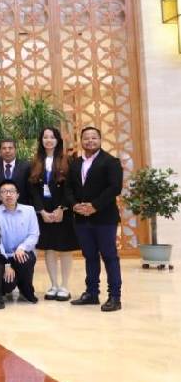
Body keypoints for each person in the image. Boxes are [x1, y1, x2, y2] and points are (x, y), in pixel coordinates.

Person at [67, 126, 124, 312]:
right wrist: (74, 205)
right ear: (81, 141)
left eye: (94, 138)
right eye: (86, 138)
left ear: (100, 140)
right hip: (81, 218)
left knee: (109, 256)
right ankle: (92, 293)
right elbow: (68, 188)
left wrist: (94, 206)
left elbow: (115, 188)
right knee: (90, 256)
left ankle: (114, 297)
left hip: (104, 218)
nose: (90, 141)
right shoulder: (75, 163)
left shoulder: (111, 161)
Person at [29, 127, 79, 302]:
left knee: (64, 249)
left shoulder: (68, 160)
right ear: (41, 140)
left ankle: (64, 286)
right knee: (49, 249)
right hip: (44, 211)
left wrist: (62, 208)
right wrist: (41, 211)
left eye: (52, 137)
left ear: (58, 140)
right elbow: (33, 190)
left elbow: (71, 187)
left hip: (62, 211)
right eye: (45, 137)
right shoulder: (35, 162)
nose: (48, 140)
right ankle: (54, 285)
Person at [0, 179, 40, 303]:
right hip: (2, 256)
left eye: (11, 191)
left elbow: (34, 235)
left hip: (20, 253)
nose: (8, 194)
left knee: (26, 259)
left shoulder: (29, 211)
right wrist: (6, 263)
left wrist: (22, 248)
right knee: (7, 285)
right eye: (4, 192)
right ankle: (3, 289)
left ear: (18, 194)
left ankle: (26, 290)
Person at [0, 138, 32, 210]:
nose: (7, 151)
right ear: (0, 151)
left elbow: (31, 192)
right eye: (4, 148)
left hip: (21, 210)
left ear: (15, 150)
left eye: (10, 148)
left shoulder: (26, 167)